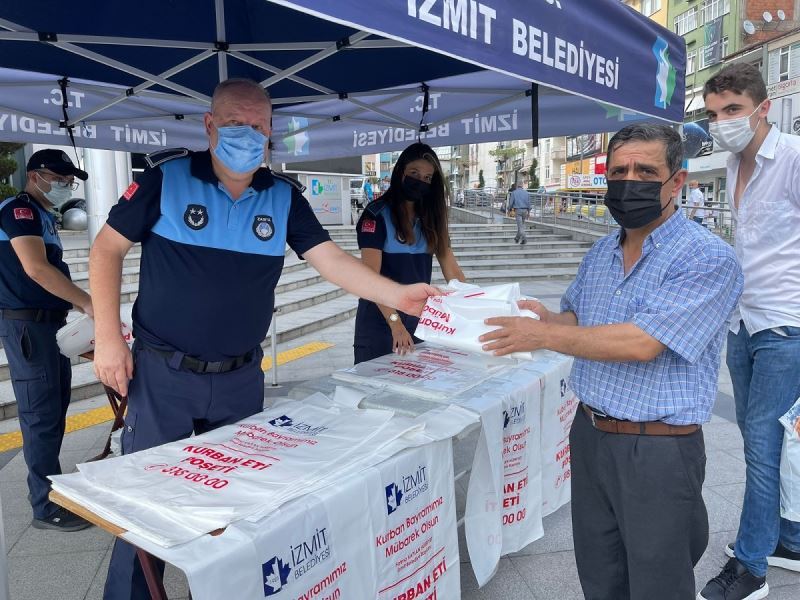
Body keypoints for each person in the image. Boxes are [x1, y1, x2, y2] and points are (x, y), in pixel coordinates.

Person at [89, 78, 438, 600]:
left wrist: (400, 295)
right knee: (147, 510)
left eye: (257, 125)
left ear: (271, 131)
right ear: (210, 125)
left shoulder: (283, 198)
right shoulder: (167, 179)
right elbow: (104, 251)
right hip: (164, 374)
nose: (247, 134)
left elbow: (334, 263)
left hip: (240, 380)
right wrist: (108, 339)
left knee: (239, 508)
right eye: (234, 123)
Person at [479, 123, 743, 599]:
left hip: (658, 449)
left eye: (645, 170)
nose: (629, 181)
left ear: (677, 181)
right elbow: (577, 317)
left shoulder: (707, 257)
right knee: (599, 576)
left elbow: (643, 342)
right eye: (618, 171)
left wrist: (541, 335)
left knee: (658, 584)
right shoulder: (602, 251)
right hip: (591, 435)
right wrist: (546, 319)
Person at [698, 62, 800, 600]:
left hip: (786, 324)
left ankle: (751, 567)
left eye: (732, 110)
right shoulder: (734, 162)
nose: (722, 122)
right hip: (744, 320)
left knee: (762, 446)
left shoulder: (793, 158)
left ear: (763, 107)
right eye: (714, 114)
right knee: (763, 440)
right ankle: (788, 538)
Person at [0, 149, 94, 532]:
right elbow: (36, 270)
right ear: (36, 175)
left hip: (48, 326)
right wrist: (90, 303)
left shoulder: (43, 216)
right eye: (59, 179)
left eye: (68, 181)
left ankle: (52, 489)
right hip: (28, 328)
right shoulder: (18, 210)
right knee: (40, 415)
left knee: (53, 411)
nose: (64, 185)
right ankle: (44, 505)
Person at [353, 143, 465, 363]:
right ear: (400, 172)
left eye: (427, 178)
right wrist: (395, 323)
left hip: (418, 320)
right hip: (381, 322)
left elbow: (452, 271)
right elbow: (369, 279)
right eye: (414, 173)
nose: (420, 181)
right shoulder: (375, 216)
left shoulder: (431, 219)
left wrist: (475, 307)